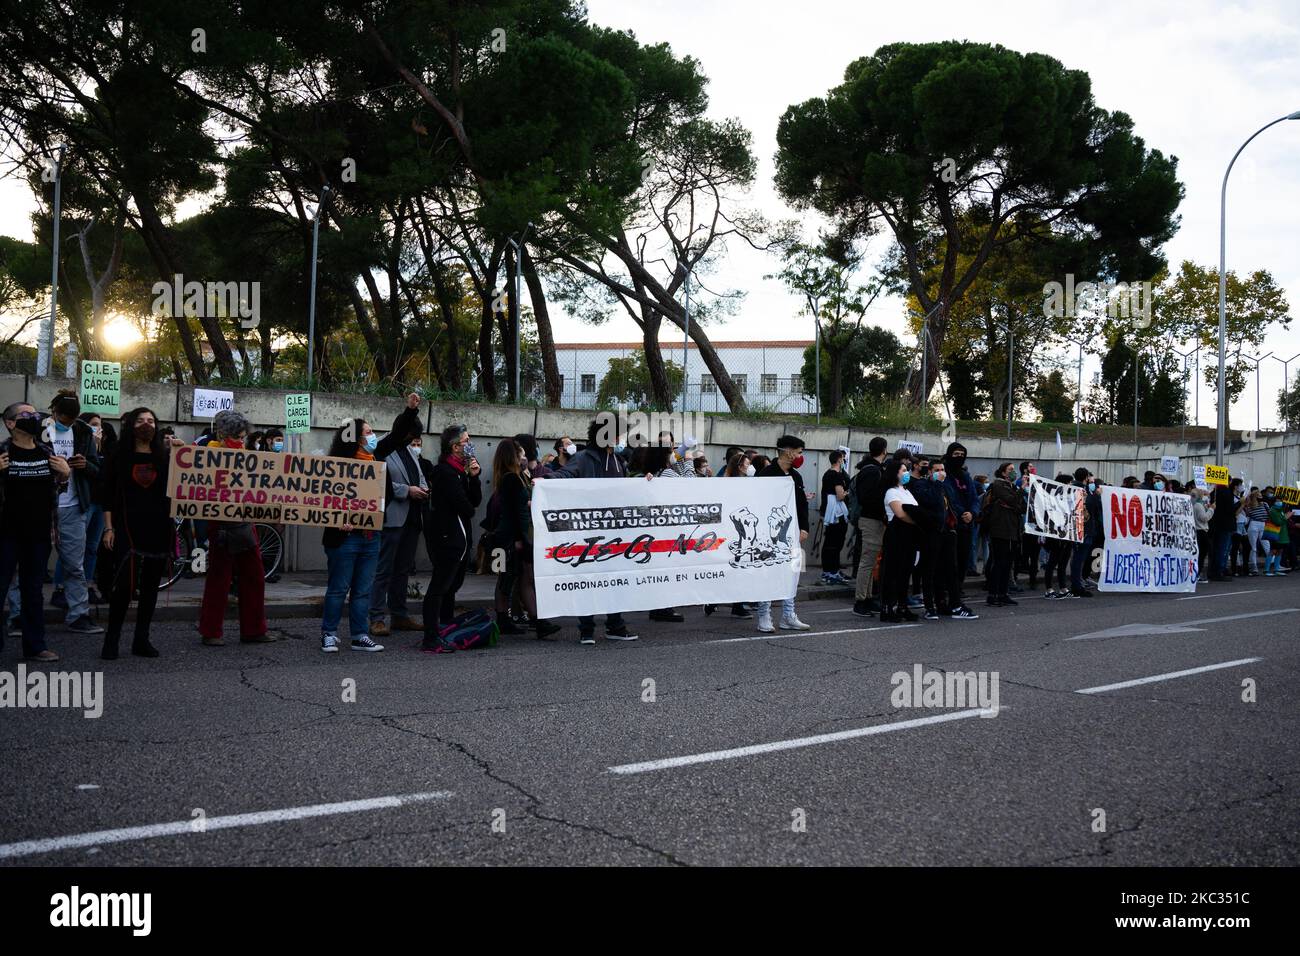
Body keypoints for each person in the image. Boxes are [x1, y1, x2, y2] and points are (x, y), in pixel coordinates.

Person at [320, 398, 420, 653]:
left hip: (371, 535)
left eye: (373, 432)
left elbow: (397, 435)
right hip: (344, 538)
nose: (373, 436)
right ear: (354, 438)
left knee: (363, 589)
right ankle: (329, 634)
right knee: (338, 588)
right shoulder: (336, 464)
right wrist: (336, 519)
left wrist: (409, 411)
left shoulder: (376, 458)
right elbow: (322, 499)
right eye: (367, 432)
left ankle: (359, 635)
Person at [546, 417, 643, 644]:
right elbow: (564, 475)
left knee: (614, 579)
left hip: (614, 532)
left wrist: (645, 482)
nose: (619, 439)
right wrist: (545, 480)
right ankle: (586, 628)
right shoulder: (582, 458)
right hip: (588, 531)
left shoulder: (619, 461)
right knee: (588, 578)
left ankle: (615, 625)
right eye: (616, 434)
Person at [99, 408, 172, 660]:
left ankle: (141, 639)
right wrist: (108, 528)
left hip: (158, 526)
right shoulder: (118, 456)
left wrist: (187, 455)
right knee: (125, 587)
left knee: (151, 586)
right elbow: (106, 495)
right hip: (127, 527)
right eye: (141, 420)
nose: (146, 424)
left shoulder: (166, 457)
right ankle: (112, 640)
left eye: (151, 420)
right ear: (131, 425)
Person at [0, 402, 70, 662]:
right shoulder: (3, 452)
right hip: (6, 535)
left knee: (33, 592)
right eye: (26, 415)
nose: (34, 418)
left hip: (39, 535)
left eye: (35, 414)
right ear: (10, 423)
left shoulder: (46, 451)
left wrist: (65, 476)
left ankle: (35, 646)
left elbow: (56, 489)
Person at [197, 410, 272, 647]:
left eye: (242, 436)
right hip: (220, 524)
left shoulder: (246, 455)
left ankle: (253, 629)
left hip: (243, 522)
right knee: (219, 577)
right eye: (237, 436)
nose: (241, 441)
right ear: (222, 434)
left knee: (255, 576)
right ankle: (211, 631)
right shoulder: (209, 453)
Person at [420, 423, 484, 653]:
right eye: (466, 441)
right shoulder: (446, 473)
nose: (470, 445)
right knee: (439, 588)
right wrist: (465, 487)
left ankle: (444, 629)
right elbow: (466, 508)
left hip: (459, 539)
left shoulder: (460, 470)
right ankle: (431, 636)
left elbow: (474, 502)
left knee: (451, 586)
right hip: (447, 540)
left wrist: (474, 478)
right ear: (455, 447)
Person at [45, 389, 103, 634]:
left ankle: (78, 615)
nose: (66, 424)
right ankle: (18, 617)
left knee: (75, 565)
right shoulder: (39, 429)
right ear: (54, 412)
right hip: (40, 507)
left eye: (70, 421)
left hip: (72, 507)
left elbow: (96, 468)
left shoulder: (82, 431)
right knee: (25, 565)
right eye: (62, 419)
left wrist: (84, 465)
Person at [369, 395, 427, 638]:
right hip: (392, 518)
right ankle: (376, 617)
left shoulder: (408, 451)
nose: (413, 442)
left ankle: (400, 614)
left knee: (402, 569)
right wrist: (407, 491)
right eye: (410, 436)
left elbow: (419, 474)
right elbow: (381, 482)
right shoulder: (383, 448)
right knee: (384, 569)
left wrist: (423, 487)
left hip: (412, 519)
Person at [491, 439, 561, 640]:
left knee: (519, 577)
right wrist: (521, 539)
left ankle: (535, 620)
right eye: (520, 454)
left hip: (511, 537)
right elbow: (515, 513)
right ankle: (514, 620)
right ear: (511, 456)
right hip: (511, 538)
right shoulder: (511, 479)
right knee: (508, 578)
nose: (524, 457)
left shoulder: (512, 477)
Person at [753, 436, 811, 633]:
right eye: (799, 452)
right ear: (788, 452)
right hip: (768, 535)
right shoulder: (765, 475)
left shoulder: (797, 477)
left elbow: (802, 505)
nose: (801, 457)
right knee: (767, 572)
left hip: (793, 534)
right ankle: (764, 615)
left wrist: (804, 528)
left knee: (793, 573)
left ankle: (788, 615)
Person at [52, 410, 109, 606]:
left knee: (91, 548)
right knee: (71, 549)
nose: (97, 428)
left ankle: (86, 585)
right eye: (93, 423)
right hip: (84, 502)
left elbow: (103, 473)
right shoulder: (80, 442)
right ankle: (60, 588)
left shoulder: (104, 447)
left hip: (100, 503)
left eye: (99, 424)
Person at [852, 436, 889, 617]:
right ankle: (860, 601)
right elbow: (868, 497)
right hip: (871, 520)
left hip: (872, 519)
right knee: (867, 563)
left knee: (870, 561)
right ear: (884, 450)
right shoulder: (873, 471)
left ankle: (867, 597)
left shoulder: (870, 469)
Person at [877, 459, 918, 623]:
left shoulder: (906, 491)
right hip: (897, 534)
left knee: (905, 572)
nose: (906, 473)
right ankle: (887, 608)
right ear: (894, 473)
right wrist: (919, 521)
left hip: (909, 535)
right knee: (892, 573)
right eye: (903, 470)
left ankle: (902, 606)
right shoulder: (891, 492)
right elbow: (900, 513)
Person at [984, 463, 1026, 607]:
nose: (1014, 472)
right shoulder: (998, 485)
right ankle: (993, 594)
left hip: (1012, 530)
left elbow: (1022, 507)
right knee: (999, 563)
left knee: (1008, 564)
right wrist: (1021, 490)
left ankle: (1003, 593)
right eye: (1010, 470)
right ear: (1003, 473)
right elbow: (1012, 500)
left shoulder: (1013, 488)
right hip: (1000, 530)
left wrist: (1019, 495)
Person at [942, 443, 978, 598]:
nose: (959, 457)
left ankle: (958, 587)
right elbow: (949, 497)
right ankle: (947, 589)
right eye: (956, 454)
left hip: (967, 524)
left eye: (962, 454)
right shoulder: (944, 473)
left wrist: (972, 513)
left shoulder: (965, 476)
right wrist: (962, 512)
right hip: (951, 523)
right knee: (950, 559)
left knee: (963, 558)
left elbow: (974, 498)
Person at [1043, 473, 1078, 598]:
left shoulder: (1070, 497)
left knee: (1063, 562)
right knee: (1053, 562)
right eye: (1069, 483)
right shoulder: (1052, 497)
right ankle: (1049, 589)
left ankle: (1063, 588)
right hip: (1055, 533)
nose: (1071, 485)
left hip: (1068, 533)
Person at [819, 449, 850, 585]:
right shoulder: (836, 475)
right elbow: (840, 495)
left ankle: (828, 571)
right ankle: (833, 572)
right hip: (837, 514)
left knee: (829, 542)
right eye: (843, 458)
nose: (844, 461)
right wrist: (849, 492)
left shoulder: (827, 474)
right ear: (839, 460)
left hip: (828, 512)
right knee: (836, 543)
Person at [1209, 477, 1240, 581]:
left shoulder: (1215, 492)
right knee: (1223, 549)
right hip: (1226, 524)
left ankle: (1215, 570)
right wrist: (1240, 503)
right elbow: (1231, 510)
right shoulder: (1226, 492)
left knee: (1218, 548)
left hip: (1217, 524)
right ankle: (1219, 571)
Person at [1243, 486, 1269, 576]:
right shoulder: (1249, 506)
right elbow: (1247, 516)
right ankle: (1254, 567)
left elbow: (1269, 514)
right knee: (1253, 548)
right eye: (1259, 494)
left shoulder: (1265, 504)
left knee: (1266, 545)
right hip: (1254, 524)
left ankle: (1269, 565)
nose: (1261, 495)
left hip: (1263, 524)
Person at [1191, 486, 1212, 583]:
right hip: (1201, 531)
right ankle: (1198, 573)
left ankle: (1197, 573)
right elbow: (1204, 518)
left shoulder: (1195, 505)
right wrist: (1211, 510)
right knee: (1201, 554)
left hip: (1197, 531)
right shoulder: (1198, 505)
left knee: (1200, 554)